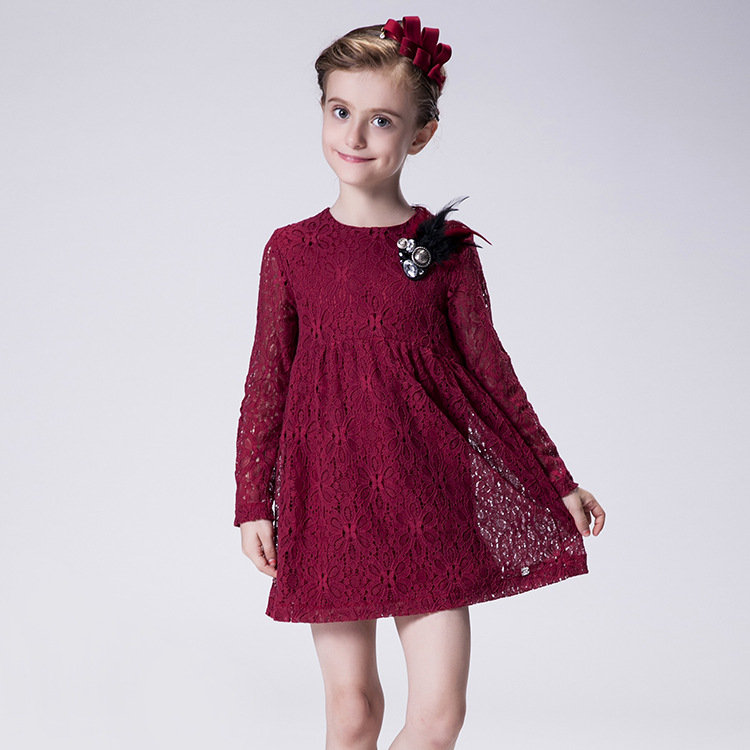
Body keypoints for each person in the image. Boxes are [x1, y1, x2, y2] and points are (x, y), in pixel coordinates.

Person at [235, 16, 605, 750]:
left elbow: (493, 373)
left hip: (431, 501)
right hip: (328, 500)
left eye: (381, 120)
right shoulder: (292, 250)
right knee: (353, 712)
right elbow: (266, 383)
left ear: (421, 134)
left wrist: (557, 479)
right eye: (340, 111)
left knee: (437, 719)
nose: (355, 136)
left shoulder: (447, 252)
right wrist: (253, 503)